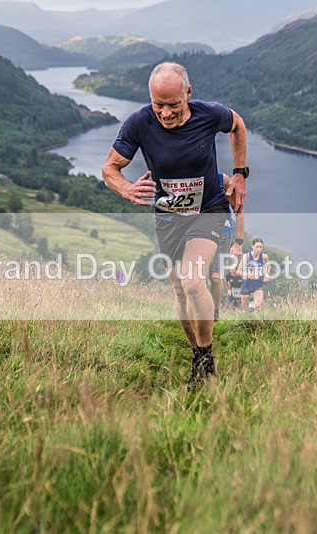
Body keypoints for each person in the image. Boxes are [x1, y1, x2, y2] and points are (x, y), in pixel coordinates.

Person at [101, 61, 248, 390]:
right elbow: (109, 168)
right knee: (180, 289)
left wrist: (240, 173)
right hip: (169, 215)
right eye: (158, 105)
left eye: (173, 105)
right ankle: (197, 354)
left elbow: (237, 125)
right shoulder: (139, 123)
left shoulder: (208, 114)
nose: (165, 114)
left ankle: (207, 359)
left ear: (188, 94)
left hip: (208, 209)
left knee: (193, 281)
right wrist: (125, 187)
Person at [208, 173, 245, 321]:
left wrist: (239, 242)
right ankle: (199, 311)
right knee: (196, 277)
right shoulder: (190, 179)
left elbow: (239, 212)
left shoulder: (222, 181)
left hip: (222, 234)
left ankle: (215, 312)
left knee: (215, 277)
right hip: (198, 233)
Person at [235, 238, 269, 311]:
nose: (259, 249)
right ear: (252, 246)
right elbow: (238, 271)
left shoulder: (264, 257)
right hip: (246, 284)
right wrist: (247, 274)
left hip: (258, 284)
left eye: (261, 247)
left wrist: (266, 275)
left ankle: (256, 319)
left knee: (257, 306)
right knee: (245, 310)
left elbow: (268, 265)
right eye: (257, 247)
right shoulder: (246, 257)